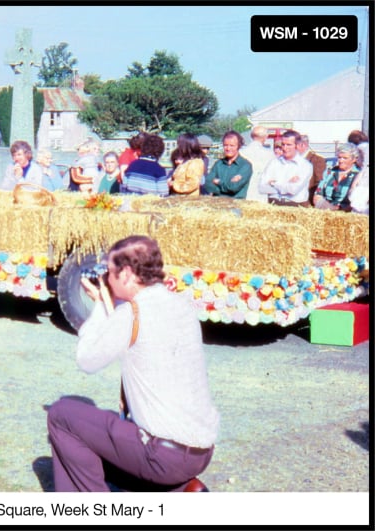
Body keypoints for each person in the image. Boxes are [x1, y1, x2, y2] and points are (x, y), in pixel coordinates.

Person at [46, 235, 219, 492]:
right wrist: (112, 303)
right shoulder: (181, 304)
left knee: (61, 415)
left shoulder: (133, 313)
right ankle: (181, 490)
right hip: (200, 452)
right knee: (110, 431)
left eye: (110, 273)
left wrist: (100, 309)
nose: (108, 279)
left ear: (126, 274)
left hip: (162, 455)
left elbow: (87, 360)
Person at [257, 129, 313, 207]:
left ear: (297, 146)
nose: (285, 148)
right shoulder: (274, 163)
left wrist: (273, 183)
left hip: (296, 206)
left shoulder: (305, 166)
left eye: (289, 144)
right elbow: (261, 188)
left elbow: (293, 190)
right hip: (274, 204)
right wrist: (287, 183)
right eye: (283, 144)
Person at [203, 130, 253, 199]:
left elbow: (234, 188)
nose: (228, 148)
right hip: (218, 204)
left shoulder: (245, 166)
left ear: (238, 146)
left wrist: (218, 182)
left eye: (232, 146)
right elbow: (208, 184)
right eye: (225, 145)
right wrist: (226, 187)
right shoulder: (218, 164)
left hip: (236, 205)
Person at [312, 143, 361, 211]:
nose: (341, 161)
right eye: (339, 157)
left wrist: (340, 211)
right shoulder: (329, 172)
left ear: (354, 159)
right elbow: (317, 196)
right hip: (325, 211)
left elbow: (358, 202)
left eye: (345, 158)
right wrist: (331, 209)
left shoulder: (358, 176)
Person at [239, 125, 275, 202]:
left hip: (244, 189)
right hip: (261, 190)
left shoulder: (241, 152)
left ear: (251, 136)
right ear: (265, 137)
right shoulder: (269, 154)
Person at [296, 134, 327, 204]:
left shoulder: (317, 160)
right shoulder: (293, 160)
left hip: (308, 202)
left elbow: (319, 183)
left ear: (302, 145)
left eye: (295, 145)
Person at [347, 130, 370, 215]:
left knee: (359, 210)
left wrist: (354, 185)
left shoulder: (360, 149)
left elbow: (363, 168)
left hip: (364, 183)